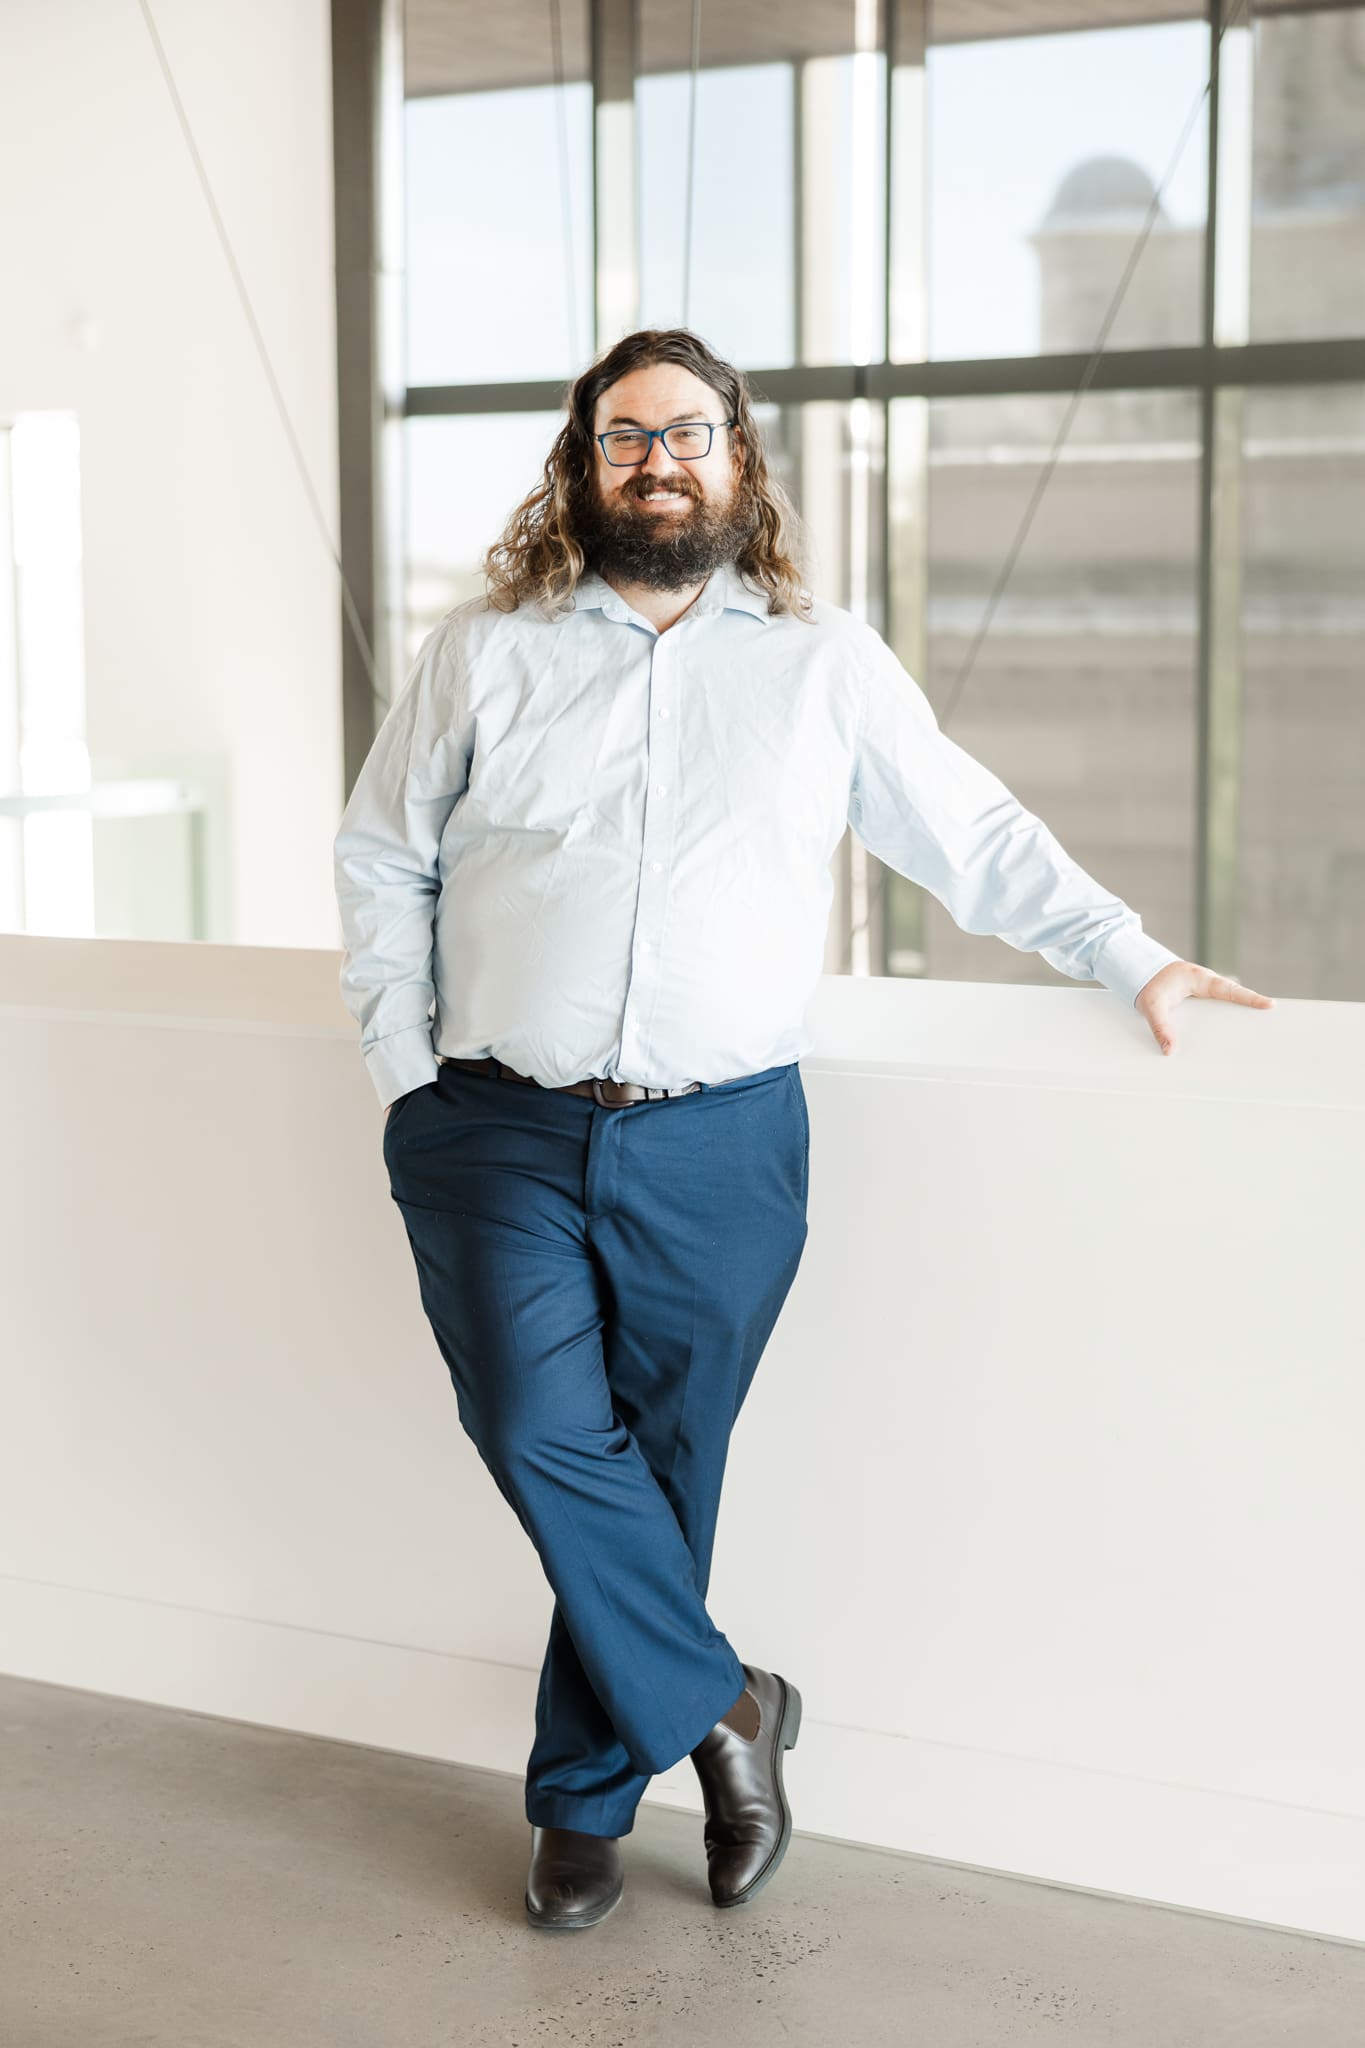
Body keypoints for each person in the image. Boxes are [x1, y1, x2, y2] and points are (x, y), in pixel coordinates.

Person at [332, 326, 1273, 1933]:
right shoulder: (485, 653)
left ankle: (578, 1802)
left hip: (724, 1142)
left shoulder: (821, 662)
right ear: (582, 464)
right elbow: (382, 858)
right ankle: (727, 1707)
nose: (659, 461)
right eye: (626, 436)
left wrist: (1129, 953)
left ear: (738, 458)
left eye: (688, 433)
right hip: (493, 1125)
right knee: (541, 1432)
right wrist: (405, 1077)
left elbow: (966, 833)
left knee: (665, 1472)